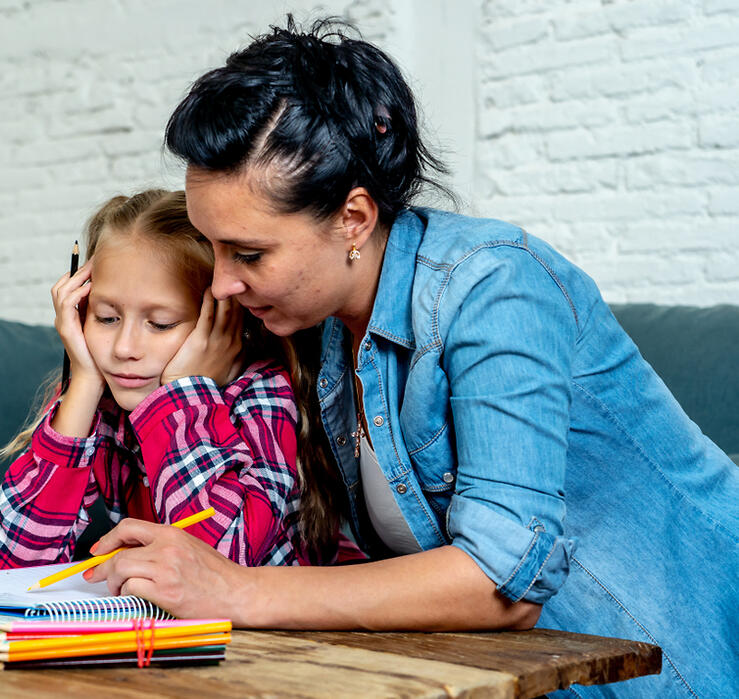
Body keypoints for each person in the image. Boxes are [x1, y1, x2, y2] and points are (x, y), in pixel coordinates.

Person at [83, 19, 739, 698]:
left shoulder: (495, 287)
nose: (219, 283)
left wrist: (240, 591)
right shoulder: (318, 327)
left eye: (248, 253)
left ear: (354, 220)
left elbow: (499, 585)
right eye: (211, 246)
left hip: (676, 669)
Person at [0, 189, 363, 571]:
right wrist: (83, 384)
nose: (125, 348)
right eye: (107, 318)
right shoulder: (106, 401)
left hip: (295, 625)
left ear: (225, 321)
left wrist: (181, 394)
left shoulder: (262, 396)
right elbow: (10, 562)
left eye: (160, 324)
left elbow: (215, 567)